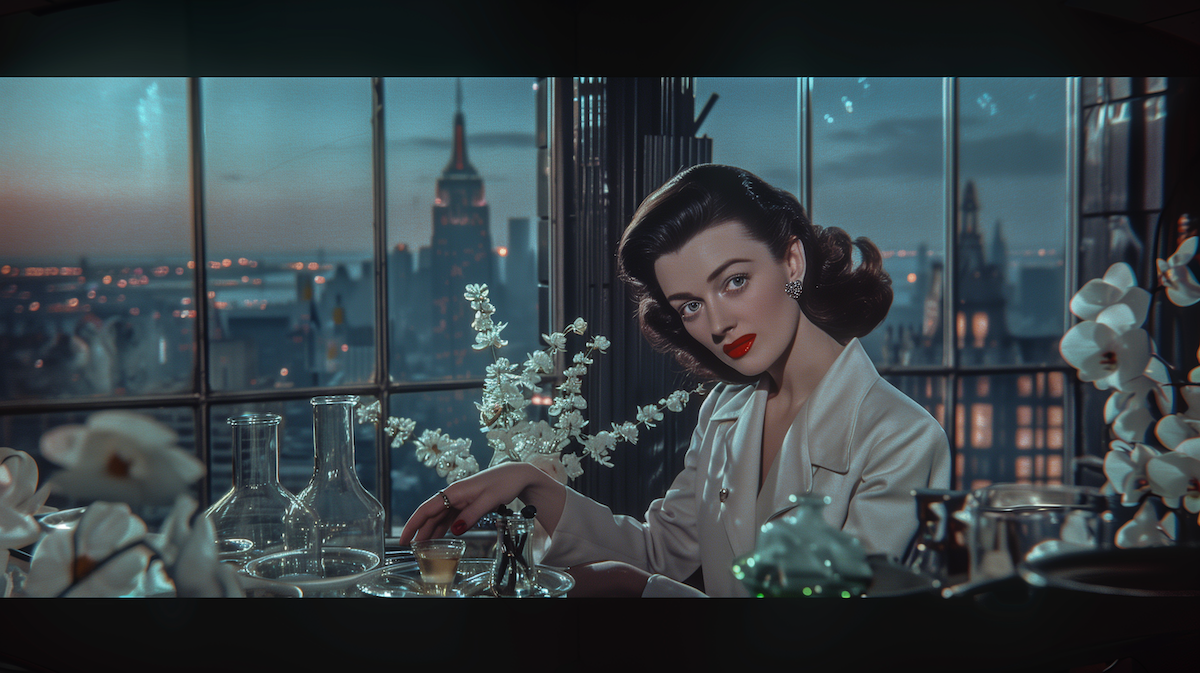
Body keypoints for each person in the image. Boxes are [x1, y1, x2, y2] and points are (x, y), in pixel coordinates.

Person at [399, 164, 951, 597]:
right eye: (690, 305)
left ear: (791, 262)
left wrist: (636, 589)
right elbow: (660, 551)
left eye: (734, 281)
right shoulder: (725, 409)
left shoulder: (901, 439)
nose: (717, 324)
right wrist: (530, 482)